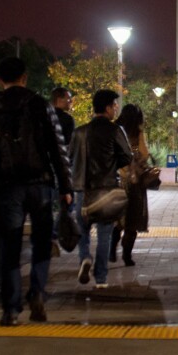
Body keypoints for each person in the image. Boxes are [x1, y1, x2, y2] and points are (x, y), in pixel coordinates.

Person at [0, 57, 72, 326]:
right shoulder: (41, 104)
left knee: (10, 246)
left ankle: (11, 309)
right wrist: (66, 187)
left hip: (6, 187)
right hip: (40, 185)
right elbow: (58, 149)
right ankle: (37, 292)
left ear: (0, 80)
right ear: (25, 77)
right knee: (41, 243)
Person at [69, 89, 132, 288]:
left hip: (81, 190)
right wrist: (113, 162)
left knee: (82, 230)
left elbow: (70, 158)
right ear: (106, 108)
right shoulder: (115, 130)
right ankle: (102, 279)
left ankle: (85, 258)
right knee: (105, 234)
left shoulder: (79, 132)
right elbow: (127, 156)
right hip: (106, 190)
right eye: (114, 105)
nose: (116, 109)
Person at [111, 103, 151, 266]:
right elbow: (145, 154)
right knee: (133, 219)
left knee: (118, 219)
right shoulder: (137, 133)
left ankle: (111, 250)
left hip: (117, 181)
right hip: (135, 182)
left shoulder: (114, 131)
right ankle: (127, 256)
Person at [49, 87, 75, 258]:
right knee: (68, 201)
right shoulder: (67, 120)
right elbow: (69, 148)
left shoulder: (43, 116)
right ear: (59, 98)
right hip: (62, 166)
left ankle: (48, 235)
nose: (70, 102)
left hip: (44, 167)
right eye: (68, 98)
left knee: (47, 201)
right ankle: (53, 234)